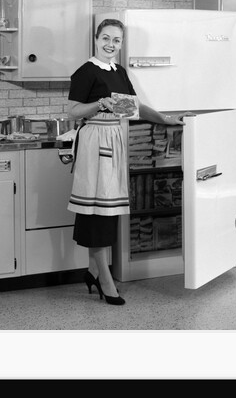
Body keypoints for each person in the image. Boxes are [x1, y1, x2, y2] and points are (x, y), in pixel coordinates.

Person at [67, 18, 189, 306]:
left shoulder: (119, 72)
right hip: (96, 142)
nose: (111, 45)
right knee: (97, 210)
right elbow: (73, 112)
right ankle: (105, 281)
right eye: (106, 38)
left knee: (106, 209)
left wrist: (168, 119)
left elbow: (135, 107)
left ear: (121, 44)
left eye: (117, 40)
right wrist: (99, 103)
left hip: (115, 141)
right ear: (96, 39)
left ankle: (93, 271)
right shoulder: (85, 72)